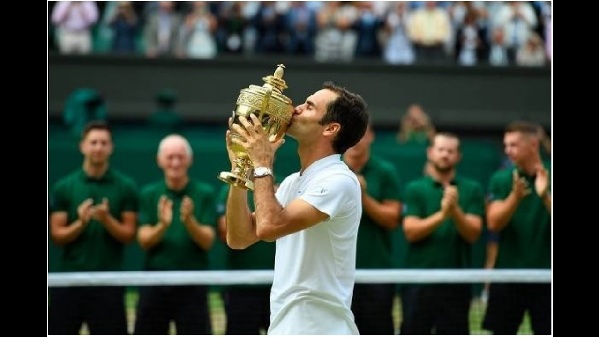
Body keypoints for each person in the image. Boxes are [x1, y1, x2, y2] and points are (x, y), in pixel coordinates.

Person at [224, 81, 369, 334]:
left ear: (331, 128)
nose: (296, 108)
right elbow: (239, 238)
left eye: (309, 107)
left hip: (320, 329)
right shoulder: (293, 182)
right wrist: (241, 170)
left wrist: (262, 163)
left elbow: (269, 227)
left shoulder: (340, 180)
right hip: (285, 325)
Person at [48, 121, 139, 335]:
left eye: (103, 143)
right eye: (93, 142)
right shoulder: (63, 187)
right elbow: (57, 235)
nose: (98, 147)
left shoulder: (125, 187)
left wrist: (106, 219)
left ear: (111, 148)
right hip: (68, 283)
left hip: (109, 283)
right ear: (83, 146)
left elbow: (128, 235)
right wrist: (81, 222)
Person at [400, 132, 485, 335]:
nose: (445, 155)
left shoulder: (472, 189)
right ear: (430, 153)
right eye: (440, 150)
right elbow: (410, 231)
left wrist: (455, 211)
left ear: (458, 157)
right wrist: (443, 214)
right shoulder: (415, 188)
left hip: (456, 283)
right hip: (418, 282)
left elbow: (473, 233)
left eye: (450, 151)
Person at [134, 134, 217, 335]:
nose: (175, 162)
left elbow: (208, 241)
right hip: (154, 282)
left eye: (180, 157)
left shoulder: (204, 193)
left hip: (193, 283)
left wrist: (189, 222)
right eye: (170, 157)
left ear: (190, 160)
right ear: (159, 160)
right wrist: (163, 225)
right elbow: (143, 241)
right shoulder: (148, 194)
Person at [482, 121, 551, 335]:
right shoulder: (501, 179)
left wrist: (544, 196)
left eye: (513, 145)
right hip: (509, 276)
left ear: (533, 144)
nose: (507, 150)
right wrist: (515, 197)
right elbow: (493, 223)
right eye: (506, 145)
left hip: (548, 277)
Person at [342, 124, 403, 334]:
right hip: (335, 275)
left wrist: (363, 195)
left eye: (362, 134)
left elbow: (392, 219)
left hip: (376, 274)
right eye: (352, 134)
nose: (356, 140)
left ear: (371, 137)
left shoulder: (386, 172)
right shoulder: (330, 170)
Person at [216, 183, 276, 335]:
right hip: (241, 288)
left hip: (279, 286)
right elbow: (226, 233)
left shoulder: (287, 184)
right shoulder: (232, 188)